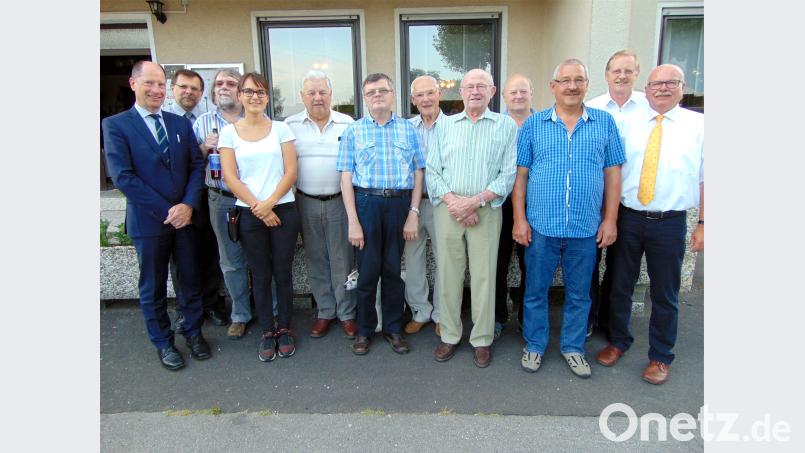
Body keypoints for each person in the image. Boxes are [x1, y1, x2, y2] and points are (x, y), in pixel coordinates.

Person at [513, 58, 625, 379]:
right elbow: (521, 176)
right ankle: (535, 344)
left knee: (579, 294)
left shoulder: (603, 123)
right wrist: (519, 219)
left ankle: (573, 347)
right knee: (535, 290)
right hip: (541, 227)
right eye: (565, 80)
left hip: (585, 228)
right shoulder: (534, 125)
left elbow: (613, 175)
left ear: (587, 85)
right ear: (553, 87)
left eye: (579, 80)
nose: (572, 86)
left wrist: (610, 220)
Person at [594, 64, 704, 385]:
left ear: (682, 88)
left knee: (664, 292)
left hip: (669, 222)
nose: (663, 89)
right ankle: (618, 341)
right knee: (619, 285)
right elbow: (612, 172)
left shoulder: (699, 125)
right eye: (656, 84)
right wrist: (609, 217)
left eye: (671, 83)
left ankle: (660, 356)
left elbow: (707, 178)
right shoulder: (629, 123)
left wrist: (704, 224)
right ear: (648, 87)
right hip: (628, 217)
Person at [102, 61, 211, 371]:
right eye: (150, 83)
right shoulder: (116, 125)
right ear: (133, 84)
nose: (156, 90)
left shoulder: (178, 124)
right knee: (153, 286)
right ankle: (163, 342)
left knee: (190, 281)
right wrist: (170, 211)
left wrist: (188, 205)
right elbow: (123, 177)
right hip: (150, 222)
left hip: (186, 219)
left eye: (161, 85)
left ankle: (193, 332)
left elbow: (196, 166)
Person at [426, 69, 517, 368]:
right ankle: (450, 336)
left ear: (492, 91)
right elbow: (433, 170)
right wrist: (456, 203)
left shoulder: (506, 126)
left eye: (481, 86)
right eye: (469, 86)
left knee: (484, 276)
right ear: (461, 92)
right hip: (449, 210)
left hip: (486, 210)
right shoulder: (445, 126)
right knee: (449, 274)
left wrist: (474, 202)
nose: (475, 91)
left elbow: (509, 174)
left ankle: (482, 339)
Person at [336, 73, 424, 356]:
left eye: (383, 90)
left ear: (392, 94)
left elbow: (418, 172)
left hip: (399, 205)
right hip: (366, 205)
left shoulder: (409, 130)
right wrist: (353, 220)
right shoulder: (354, 130)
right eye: (371, 92)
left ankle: (393, 329)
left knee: (392, 272)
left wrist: (413, 212)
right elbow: (346, 177)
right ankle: (364, 331)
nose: (377, 95)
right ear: (364, 97)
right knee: (367, 272)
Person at [218, 72, 300, 362]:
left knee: (283, 273)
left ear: (267, 97)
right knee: (261, 274)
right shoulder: (229, 133)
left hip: (284, 209)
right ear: (240, 95)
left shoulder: (281, 129)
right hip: (249, 212)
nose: (255, 96)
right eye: (250, 91)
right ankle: (267, 330)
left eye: (261, 92)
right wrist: (259, 207)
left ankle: (286, 327)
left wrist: (270, 203)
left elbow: (291, 171)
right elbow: (230, 176)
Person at [285, 71, 358, 340]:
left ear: (331, 95)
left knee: (343, 259)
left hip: (340, 201)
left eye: (322, 92)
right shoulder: (289, 126)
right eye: (311, 93)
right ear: (302, 96)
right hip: (305, 202)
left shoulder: (347, 123)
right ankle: (325, 311)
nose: (317, 97)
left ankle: (347, 313)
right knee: (316, 259)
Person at [584, 49, 649, 338]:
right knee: (589, 265)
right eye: (616, 71)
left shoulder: (649, 109)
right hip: (595, 201)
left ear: (637, 74)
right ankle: (588, 320)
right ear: (606, 75)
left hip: (632, 201)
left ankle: (611, 325)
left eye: (628, 71)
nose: (622, 76)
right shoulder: (591, 108)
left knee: (621, 268)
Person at [192, 69, 257, 339]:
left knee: (262, 257)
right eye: (219, 83)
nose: (224, 87)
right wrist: (205, 148)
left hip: (254, 200)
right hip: (220, 199)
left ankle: (272, 310)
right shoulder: (203, 123)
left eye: (231, 83)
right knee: (231, 261)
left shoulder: (257, 120)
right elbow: (191, 162)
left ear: (241, 91)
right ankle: (240, 314)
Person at [164, 69, 229, 332]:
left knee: (210, 251)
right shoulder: (166, 119)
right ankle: (186, 309)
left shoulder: (202, 120)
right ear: (173, 89)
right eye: (183, 87)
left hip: (204, 194)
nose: (188, 92)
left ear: (202, 93)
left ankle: (211, 303)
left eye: (194, 89)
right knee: (182, 258)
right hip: (174, 200)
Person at [403, 75, 446, 336]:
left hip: (443, 203)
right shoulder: (406, 128)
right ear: (413, 100)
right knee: (413, 258)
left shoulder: (454, 125)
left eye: (431, 93)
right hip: (413, 204)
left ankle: (442, 313)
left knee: (446, 260)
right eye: (420, 95)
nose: (426, 99)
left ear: (439, 94)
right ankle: (420, 310)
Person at [493, 74, 535, 339]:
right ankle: (497, 317)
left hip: (534, 204)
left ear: (532, 92)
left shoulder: (544, 123)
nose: (518, 96)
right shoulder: (495, 125)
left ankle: (526, 319)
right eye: (513, 92)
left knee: (530, 263)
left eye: (523, 91)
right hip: (500, 203)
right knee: (496, 262)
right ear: (504, 96)